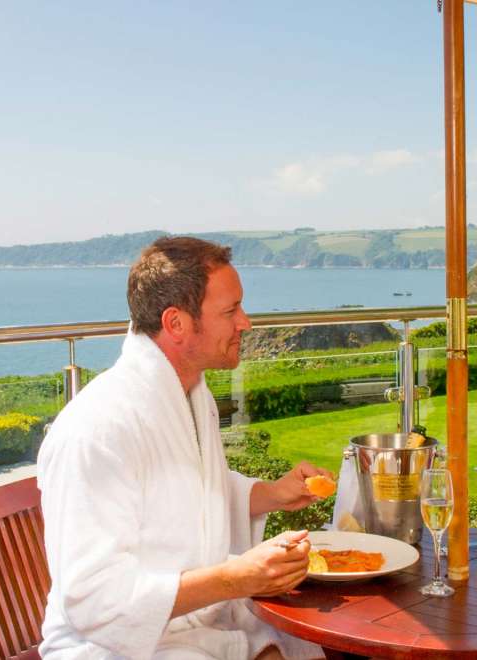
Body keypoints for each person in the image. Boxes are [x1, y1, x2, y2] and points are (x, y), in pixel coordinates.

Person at [37, 236, 329, 660]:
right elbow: (93, 599)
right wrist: (235, 578)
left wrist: (270, 494)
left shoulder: (191, 394)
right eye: (231, 311)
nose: (245, 323)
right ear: (176, 323)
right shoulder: (98, 429)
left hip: (194, 626)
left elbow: (186, 489)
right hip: (116, 648)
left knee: (304, 642)